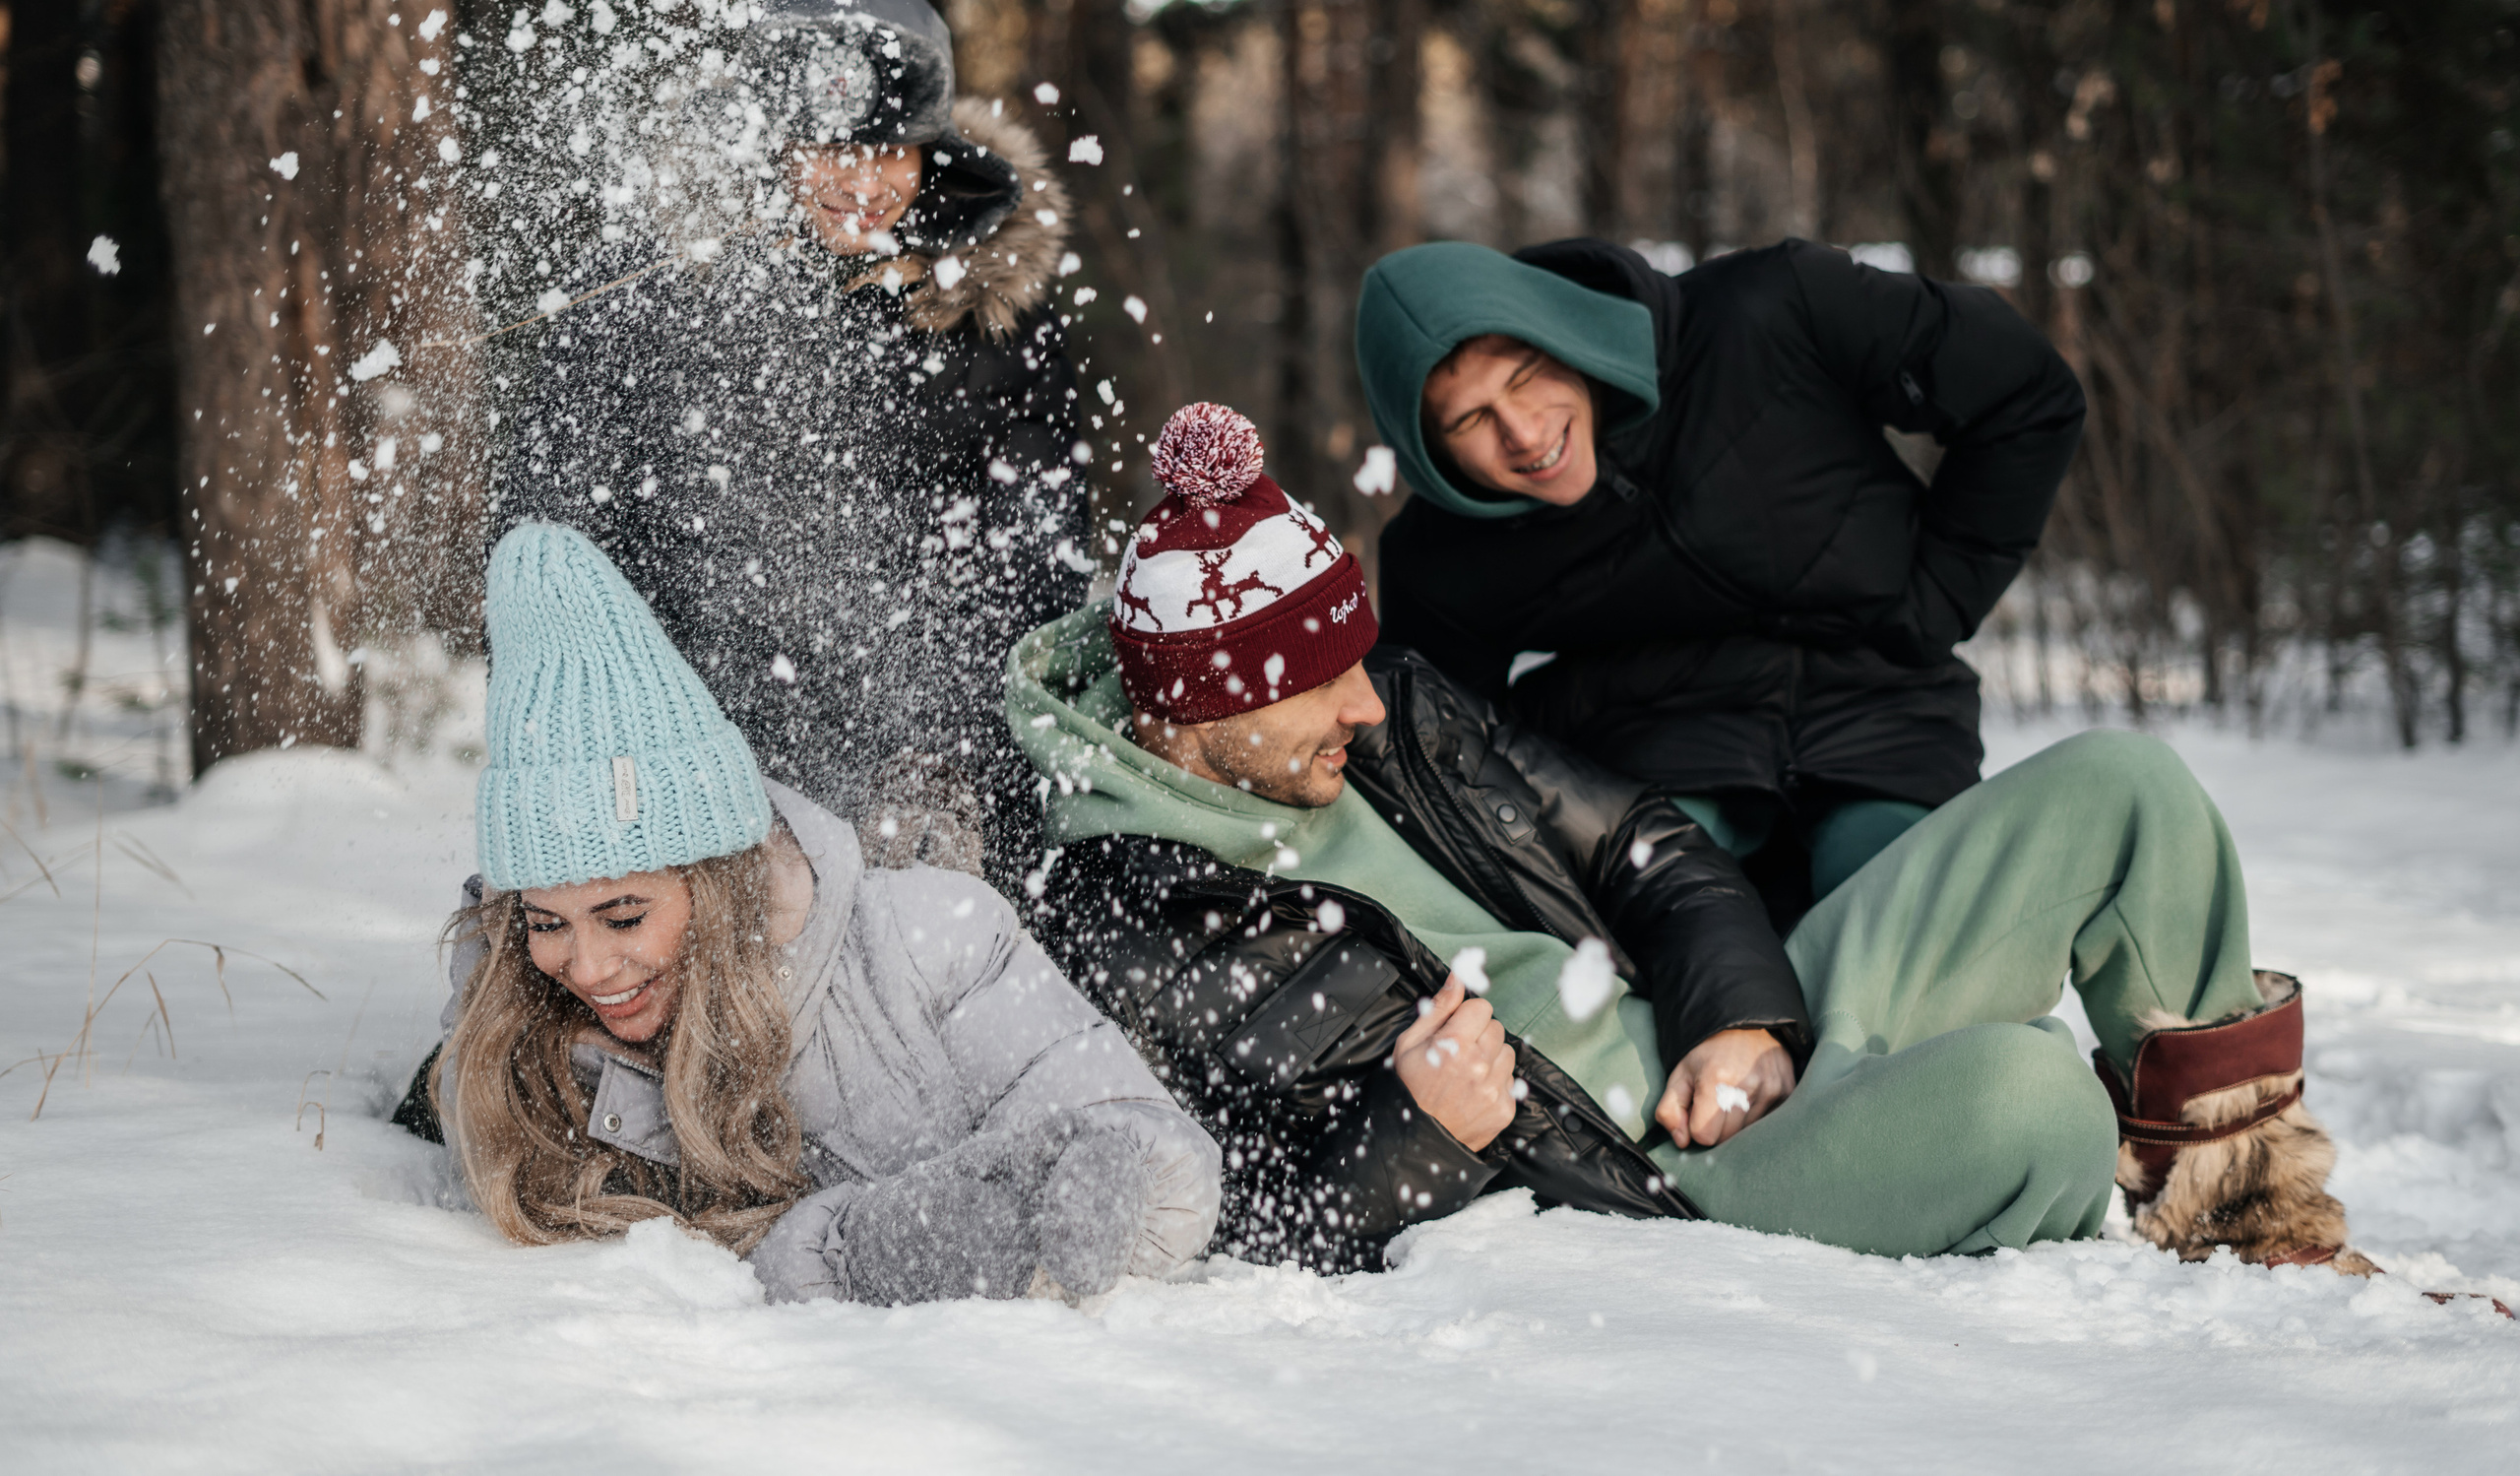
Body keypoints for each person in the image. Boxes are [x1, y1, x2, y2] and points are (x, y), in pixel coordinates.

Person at [1005, 403, 2368, 1278]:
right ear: (1199, 710)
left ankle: (2251, 1213)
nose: (1371, 698)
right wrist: (1415, 1132)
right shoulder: (1122, 916)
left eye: (1364, 660)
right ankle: (1987, 1143)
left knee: (2125, 785)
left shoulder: (1395, 712)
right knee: (2037, 1100)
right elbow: (1218, 1213)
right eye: (1324, 681)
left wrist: (1743, 1018)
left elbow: (1645, 848)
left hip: (1738, 1047)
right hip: (1674, 1178)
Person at [409, 521, 1219, 1305]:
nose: (585, 968)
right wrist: (861, 1250)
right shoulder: (512, 1048)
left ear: (715, 878)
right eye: (548, 922)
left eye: (623, 916)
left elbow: (1169, 1170)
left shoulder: (930, 944)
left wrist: (1087, 1183)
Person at [494, 0, 1090, 887]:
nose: (863, 181)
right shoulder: (664, 311)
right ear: (767, 148)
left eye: (891, 150)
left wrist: (953, 758)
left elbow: (1035, 565)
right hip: (703, 755)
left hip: (936, 762)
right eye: (828, 148)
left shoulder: (991, 324)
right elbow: (573, 540)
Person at [1353, 238, 2087, 922]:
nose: (1524, 431)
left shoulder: (1773, 308)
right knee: (1676, 949)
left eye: (1526, 375)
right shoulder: (1443, 557)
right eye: (1472, 418)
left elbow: (2024, 390)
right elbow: (1441, 760)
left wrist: (1938, 599)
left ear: (1564, 328)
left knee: (1905, 922)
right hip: (1658, 768)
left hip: (1882, 716)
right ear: (1428, 452)